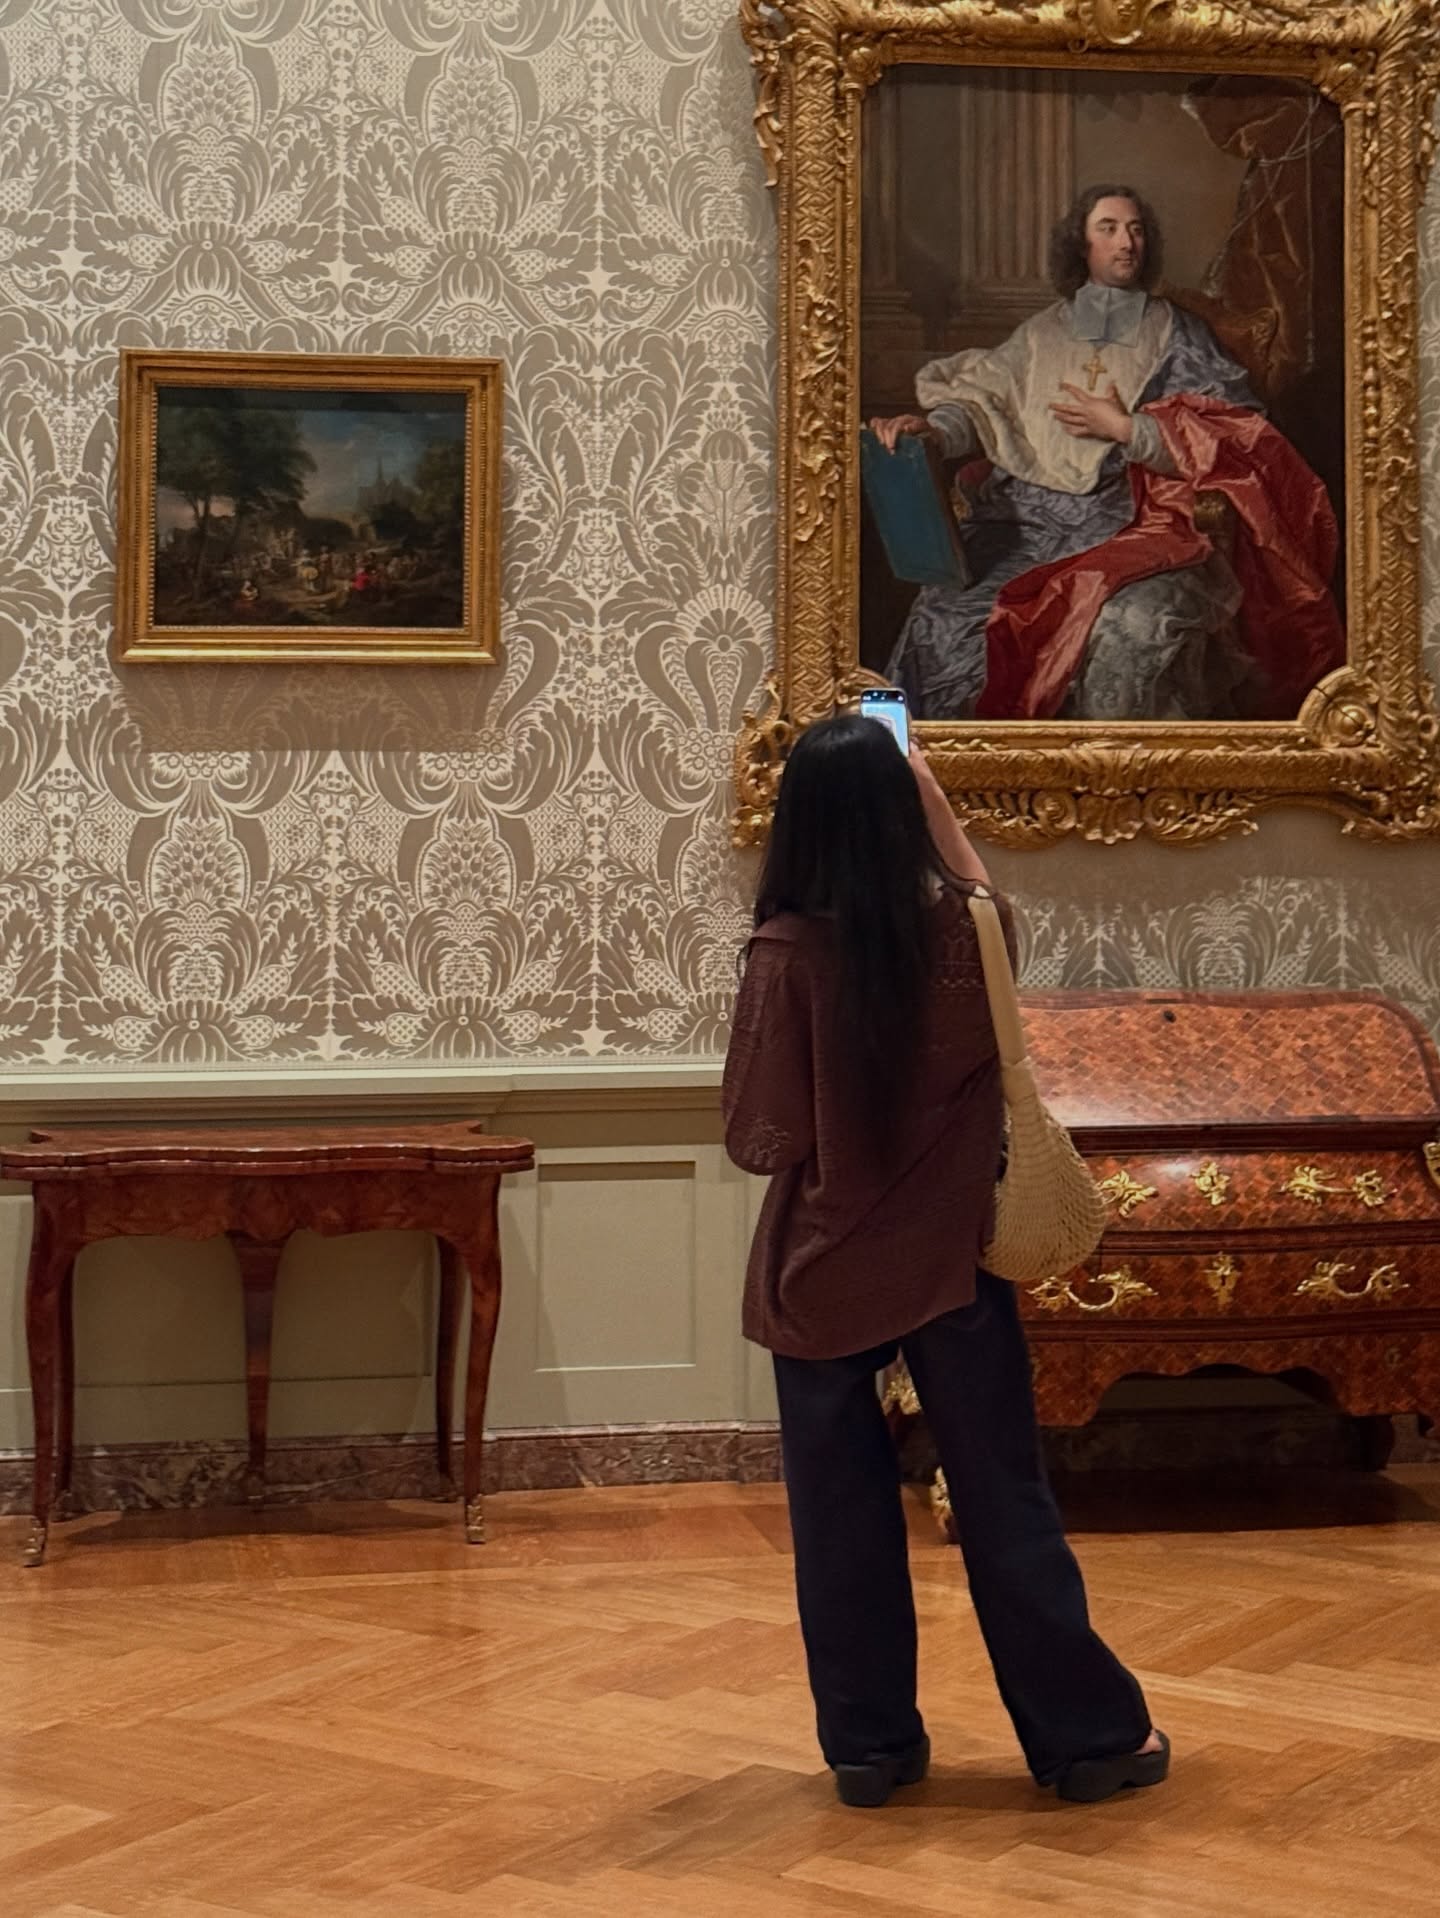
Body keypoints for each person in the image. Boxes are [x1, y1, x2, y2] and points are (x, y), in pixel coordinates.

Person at [722, 713, 1167, 1808]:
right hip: (957, 1265)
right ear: (902, 811)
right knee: (1005, 1502)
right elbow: (984, 901)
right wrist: (936, 803)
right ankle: (1087, 1742)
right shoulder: (971, 938)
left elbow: (757, 1140)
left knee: (840, 1519)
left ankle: (870, 1749)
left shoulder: (784, 955)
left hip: (822, 1271)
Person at [871, 184, 1342, 724]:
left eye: (1136, 230)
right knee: (941, 619)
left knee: (1128, 632)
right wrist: (932, 431)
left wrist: (1127, 429)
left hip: (1130, 524)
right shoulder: (1042, 331)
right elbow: (984, 404)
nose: (1127, 243)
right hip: (1024, 525)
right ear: (1081, 244)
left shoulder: (1177, 333)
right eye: (1109, 228)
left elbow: (1236, 438)